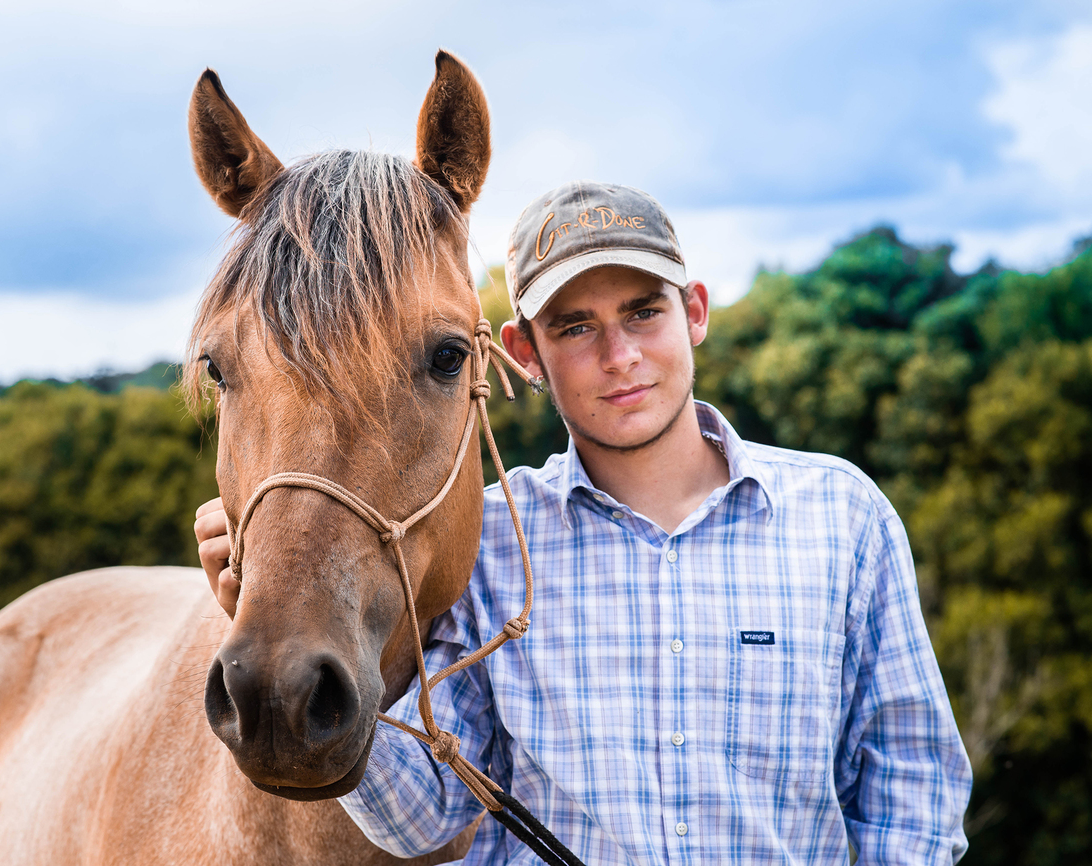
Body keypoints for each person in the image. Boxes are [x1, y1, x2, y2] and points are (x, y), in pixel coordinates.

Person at [195, 181, 973, 864]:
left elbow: (910, 782)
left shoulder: (842, 517)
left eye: (643, 313)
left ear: (693, 312)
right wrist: (269, 608)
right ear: (523, 353)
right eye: (574, 327)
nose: (621, 354)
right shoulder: (492, 548)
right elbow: (422, 816)